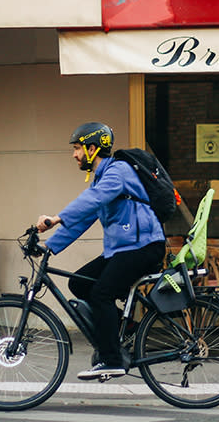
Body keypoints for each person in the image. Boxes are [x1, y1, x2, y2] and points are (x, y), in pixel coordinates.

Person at [36, 122, 166, 381]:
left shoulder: (118, 171)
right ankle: (124, 329)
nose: (74, 155)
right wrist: (49, 246)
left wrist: (56, 218)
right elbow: (85, 217)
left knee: (101, 293)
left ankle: (111, 359)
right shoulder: (103, 178)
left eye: (77, 149)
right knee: (79, 284)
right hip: (126, 249)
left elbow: (92, 200)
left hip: (143, 247)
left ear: (92, 149)